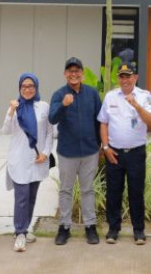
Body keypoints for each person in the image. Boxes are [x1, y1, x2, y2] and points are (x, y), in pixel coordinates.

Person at [98, 62, 151, 245]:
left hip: (135, 153)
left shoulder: (145, 96)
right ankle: (113, 229)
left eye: (128, 76)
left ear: (135, 77)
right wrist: (106, 148)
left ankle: (138, 231)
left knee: (136, 192)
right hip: (114, 152)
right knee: (113, 192)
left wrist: (136, 105)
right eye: (121, 76)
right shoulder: (110, 96)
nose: (125, 80)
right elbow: (103, 123)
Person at [49, 57, 103, 245]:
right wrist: (63, 105)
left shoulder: (92, 93)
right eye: (70, 71)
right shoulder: (59, 94)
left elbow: (99, 120)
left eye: (77, 71)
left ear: (82, 73)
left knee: (88, 190)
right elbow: (52, 118)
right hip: (67, 152)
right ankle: (64, 227)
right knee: (66, 190)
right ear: (65, 74)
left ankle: (90, 227)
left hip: (90, 152)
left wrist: (100, 145)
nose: (74, 74)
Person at [2, 73, 54, 252]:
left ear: (36, 87)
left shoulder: (44, 107)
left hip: (37, 160)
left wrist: (46, 153)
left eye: (31, 86)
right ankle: (20, 232)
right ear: (19, 88)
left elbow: (49, 132)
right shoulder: (15, 107)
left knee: (31, 198)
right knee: (21, 198)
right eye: (24, 86)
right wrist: (10, 111)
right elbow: (5, 130)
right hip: (19, 160)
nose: (28, 89)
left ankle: (25, 228)